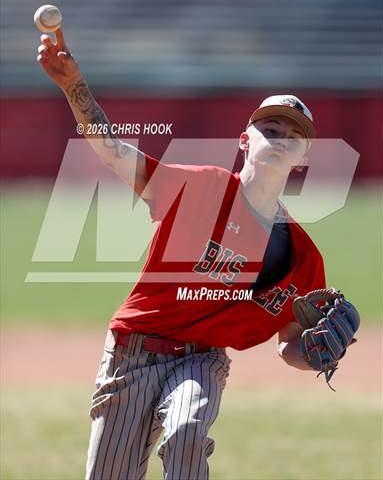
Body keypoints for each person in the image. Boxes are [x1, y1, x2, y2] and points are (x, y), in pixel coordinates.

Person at [37, 30, 327, 480]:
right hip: (133, 352)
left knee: (188, 432)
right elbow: (112, 151)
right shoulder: (201, 187)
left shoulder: (304, 258)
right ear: (245, 141)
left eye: (294, 135)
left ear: (304, 156)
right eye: (270, 128)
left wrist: (315, 353)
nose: (281, 137)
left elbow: (290, 343)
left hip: (201, 358)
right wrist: (74, 86)